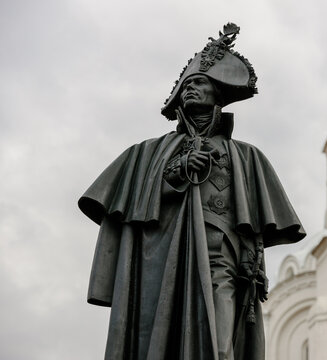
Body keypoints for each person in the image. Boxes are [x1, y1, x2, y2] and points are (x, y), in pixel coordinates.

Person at [78, 23, 305, 360]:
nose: (190, 90)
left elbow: (259, 224)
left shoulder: (247, 155)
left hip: (221, 254)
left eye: (199, 83)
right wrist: (176, 173)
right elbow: (131, 202)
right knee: (158, 336)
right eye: (186, 85)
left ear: (218, 92)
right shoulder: (149, 152)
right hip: (164, 253)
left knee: (220, 340)